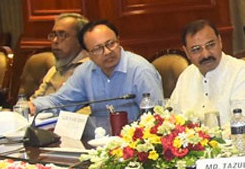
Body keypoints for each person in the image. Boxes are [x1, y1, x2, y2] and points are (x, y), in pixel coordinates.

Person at [30, 19, 163, 137]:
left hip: (134, 144)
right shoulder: (85, 71)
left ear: (118, 40)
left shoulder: (141, 71)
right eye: (97, 49)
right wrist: (34, 106)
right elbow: (61, 102)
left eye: (111, 44)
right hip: (95, 142)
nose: (107, 52)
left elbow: (156, 118)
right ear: (87, 53)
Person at [167, 19, 245, 126]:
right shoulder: (186, 75)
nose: (206, 54)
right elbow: (172, 119)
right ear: (186, 52)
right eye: (196, 49)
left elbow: (244, 123)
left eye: (211, 45)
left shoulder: (241, 73)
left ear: (220, 41)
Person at [32, 13, 90, 98]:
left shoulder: (90, 69)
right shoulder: (54, 69)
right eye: (53, 35)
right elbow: (35, 101)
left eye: (62, 35)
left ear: (80, 39)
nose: (55, 40)